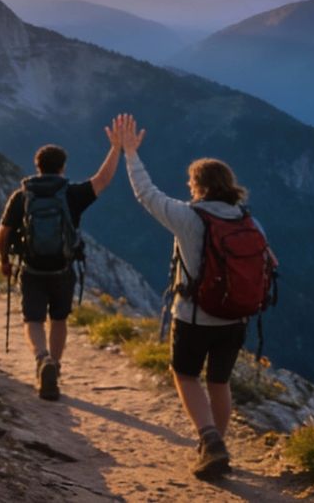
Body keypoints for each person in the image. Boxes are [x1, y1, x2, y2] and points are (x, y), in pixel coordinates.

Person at [111, 113, 265, 480]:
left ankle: (210, 441)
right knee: (220, 381)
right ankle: (216, 445)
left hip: (194, 316)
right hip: (237, 318)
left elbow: (146, 194)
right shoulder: (249, 221)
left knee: (184, 374)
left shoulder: (188, 218)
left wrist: (130, 153)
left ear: (197, 186)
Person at [0, 131, 121, 400]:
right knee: (59, 319)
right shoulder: (72, 194)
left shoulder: (22, 196)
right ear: (63, 166)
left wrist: (4, 261)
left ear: (37, 165)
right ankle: (55, 364)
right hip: (63, 269)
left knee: (33, 319)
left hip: (31, 269)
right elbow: (103, 180)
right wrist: (116, 148)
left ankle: (42, 359)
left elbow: (2, 234)